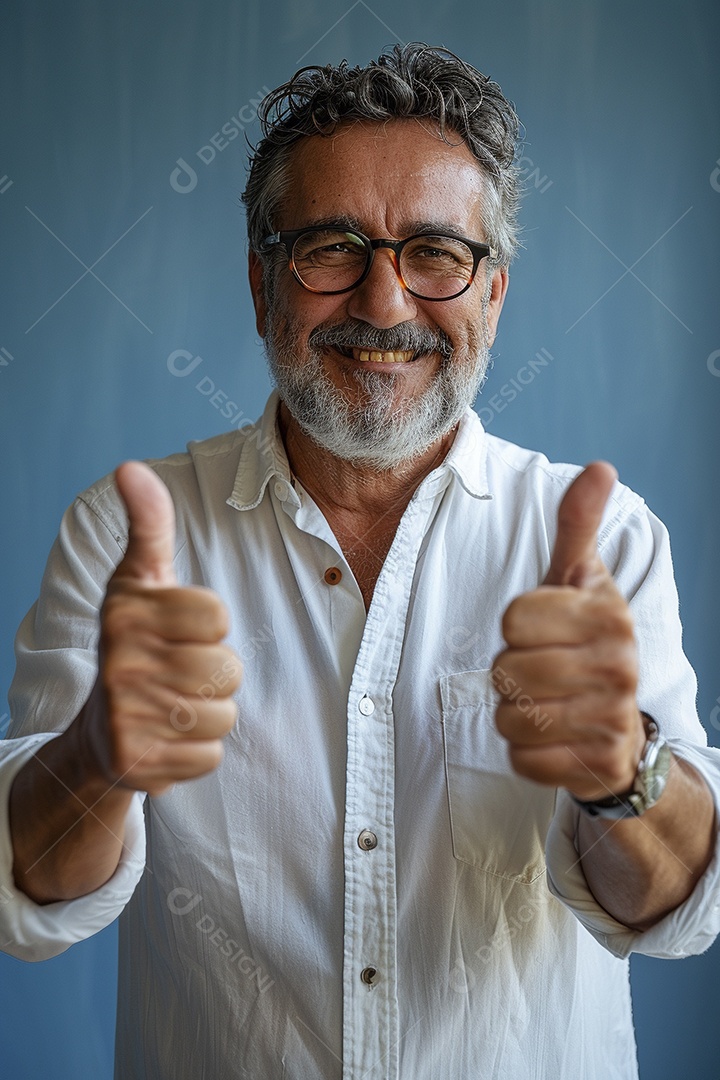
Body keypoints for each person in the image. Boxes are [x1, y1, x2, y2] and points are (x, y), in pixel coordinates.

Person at [1, 43, 719, 1080]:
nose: (383, 304)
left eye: (436, 253)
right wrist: (95, 759)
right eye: (332, 249)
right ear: (262, 286)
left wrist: (625, 774)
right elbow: (27, 894)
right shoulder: (123, 533)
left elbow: (681, 908)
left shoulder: (603, 541)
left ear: (494, 294)